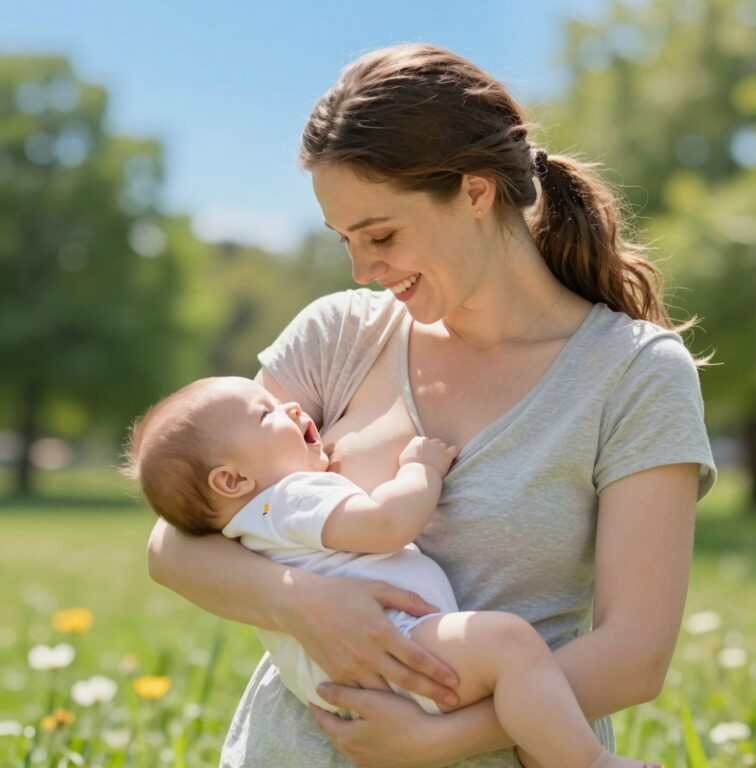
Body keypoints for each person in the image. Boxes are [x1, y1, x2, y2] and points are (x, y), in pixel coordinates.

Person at [146, 43, 717, 767]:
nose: (363, 269)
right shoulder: (339, 334)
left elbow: (635, 654)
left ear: (476, 193)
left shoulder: (633, 373)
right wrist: (301, 603)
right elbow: (173, 544)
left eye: (381, 234)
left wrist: (441, 738)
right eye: (346, 240)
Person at [127, 376, 660, 768]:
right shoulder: (288, 498)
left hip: (349, 674)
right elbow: (385, 523)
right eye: (266, 415)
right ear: (231, 480)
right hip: (396, 646)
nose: (289, 407)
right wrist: (420, 469)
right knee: (509, 643)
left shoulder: (251, 524)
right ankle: (589, 764)